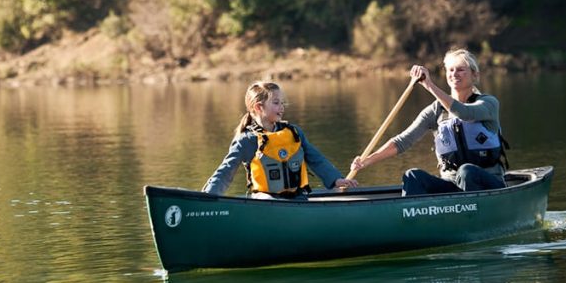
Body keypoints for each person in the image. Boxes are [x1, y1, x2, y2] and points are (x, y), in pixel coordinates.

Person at [349, 49, 508, 196]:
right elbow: (402, 141)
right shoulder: (435, 111)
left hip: (487, 184)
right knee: (413, 176)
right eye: (450, 70)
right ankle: (411, 220)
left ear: (474, 75)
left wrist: (429, 86)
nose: (454, 74)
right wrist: (366, 161)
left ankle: (471, 218)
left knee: (467, 172)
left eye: (460, 69)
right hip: (452, 185)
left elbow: (464, 113)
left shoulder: (488, 103)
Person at [202, 81, 357, 199]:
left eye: (283, 103)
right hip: (264, 202)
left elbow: (316, 159)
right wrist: (208, 196)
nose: (282, 107)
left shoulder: (294, 133)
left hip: (297, 198)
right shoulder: (247, 140)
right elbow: (225, 172)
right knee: (267, 199)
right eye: (276, 103)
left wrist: (336, 179)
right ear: (258, 107)